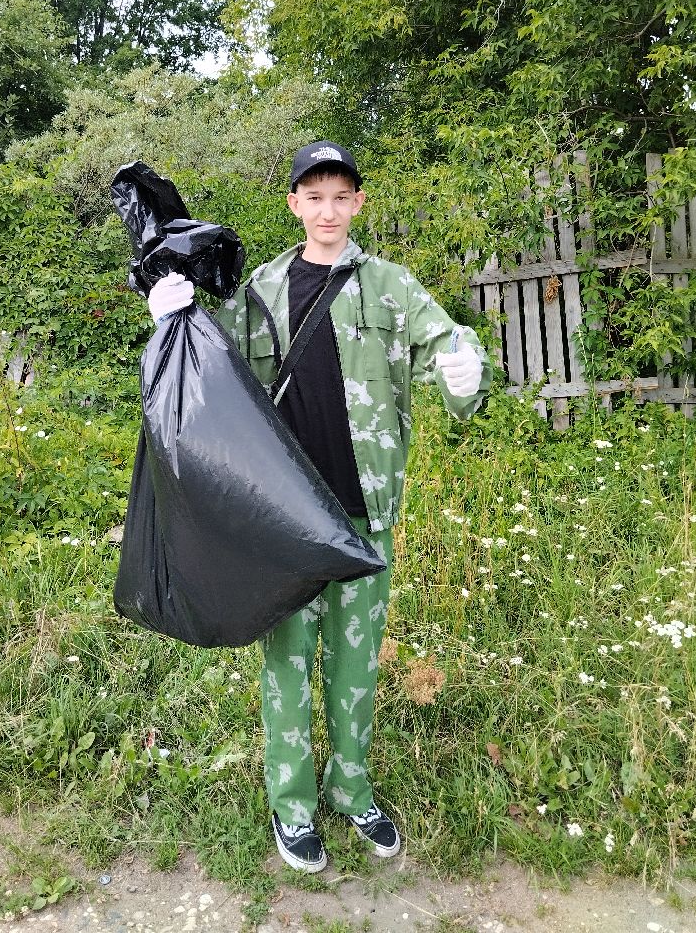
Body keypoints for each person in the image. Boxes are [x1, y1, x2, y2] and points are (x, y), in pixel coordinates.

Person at [147, 140, 492, 873]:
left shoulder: (392, 287)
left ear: (357, 203)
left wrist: (466, 370)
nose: (327, 210)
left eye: (341, 196)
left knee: (355, 663)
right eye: (314, 196)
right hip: (285, 518)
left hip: (363, 513)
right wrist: (170, 319)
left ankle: (352, 788)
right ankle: (292, 804)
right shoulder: (264, 289)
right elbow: (211, 372)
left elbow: (446, 345)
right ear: (294, 204)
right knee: (288, 662)